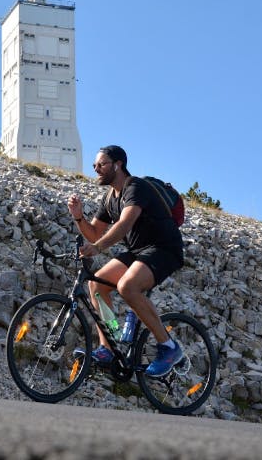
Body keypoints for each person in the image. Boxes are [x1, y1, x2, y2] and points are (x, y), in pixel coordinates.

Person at [67, 145, 185, 377]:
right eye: (94, 166)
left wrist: (98, 248)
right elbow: (94, 233)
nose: (96, 169)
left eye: (101, 165)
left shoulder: (135, 187)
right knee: (97, 285)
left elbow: (124, 225)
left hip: (164, 248)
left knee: (127, 287)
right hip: (138, 251)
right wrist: (78, 217)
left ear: (118, 164)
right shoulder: (110, 197)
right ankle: (108, 346)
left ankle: (169, 348)